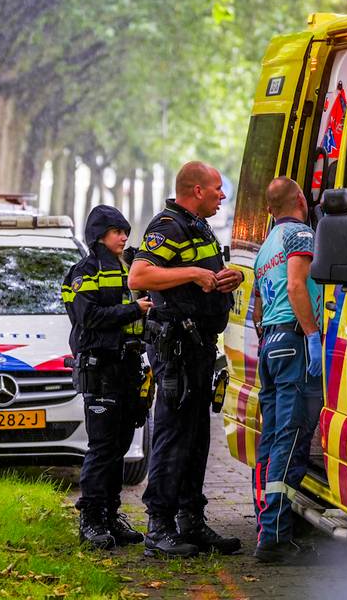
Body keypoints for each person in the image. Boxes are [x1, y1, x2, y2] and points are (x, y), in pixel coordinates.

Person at [128, 161, 244, 558]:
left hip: (198, 345)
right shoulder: (168, 226)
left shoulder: (198, 225)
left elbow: (204, 275)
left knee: (196, 437)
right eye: (216, 189)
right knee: (173, 434)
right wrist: (194, 273)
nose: (222, 195)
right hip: (175, 346)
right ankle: (158, 526)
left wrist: (227, 278)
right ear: (196, 190)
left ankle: (190, 521)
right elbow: (139, 277)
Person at [62, 205, 154, 549]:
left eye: (125, 231)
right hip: (100, 368)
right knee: (101, 448)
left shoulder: (129, 266)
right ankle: (91, 519)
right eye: (117, 231)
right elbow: (89, 316)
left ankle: (111, 514)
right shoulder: (83, 272)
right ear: (100, 234)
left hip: (128, 366)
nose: (124, 237)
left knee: (118, 446)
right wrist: (134, 310)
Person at [250, 177, 325, 564]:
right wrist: (312, 335)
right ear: (300, 200)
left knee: (273, 436)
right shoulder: (301, 235)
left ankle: (266, 524)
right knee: (292, 440)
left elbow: (258, 308)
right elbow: (298, 286)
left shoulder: (265, 248)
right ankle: (276, 537)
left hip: (270, 344)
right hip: (294, 341)